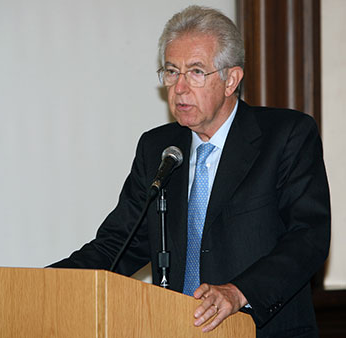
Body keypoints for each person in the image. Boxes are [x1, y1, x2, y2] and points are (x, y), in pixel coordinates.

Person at [48, 5, 330, 338]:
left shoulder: (285, 136)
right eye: (171, 71)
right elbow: (116, 245)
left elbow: (307, 238)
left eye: (195, 72)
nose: (179, 87)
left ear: (231, 80)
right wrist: (44, 285)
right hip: (174, 329)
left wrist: (239, 292)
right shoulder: (158, 149)